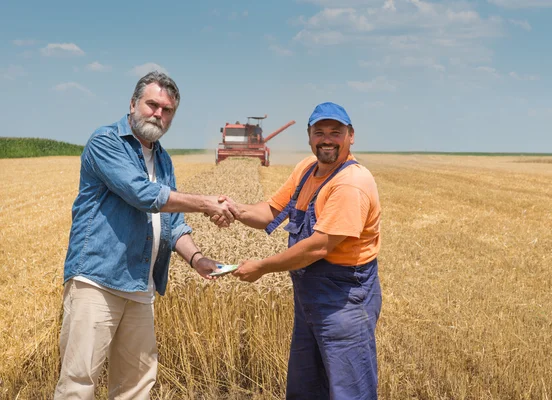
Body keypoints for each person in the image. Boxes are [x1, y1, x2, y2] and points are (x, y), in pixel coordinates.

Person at [54, 71, 236, 399]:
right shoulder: (107, 141)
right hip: (98, 281)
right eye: (152, 105)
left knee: (136, 386)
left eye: (167, 110)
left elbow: (174, 222)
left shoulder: (163, 159)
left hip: (140, 287)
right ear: (133, 103)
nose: (158, 114)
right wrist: (207, 202)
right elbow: (142, 194)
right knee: (78, 384)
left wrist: (196, 259)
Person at [214, 102, 382, 399]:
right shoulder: (306, 169)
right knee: (307, 388)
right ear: (309, 136)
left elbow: (318, 247)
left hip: (345, 302)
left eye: (335, 132)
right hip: (309, 300)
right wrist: (234, 209)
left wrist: (262, 267)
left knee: (348, 390)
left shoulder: (351, 183)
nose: (327, 139)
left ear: (350, 136)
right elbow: (269, 211)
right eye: (319, 132)